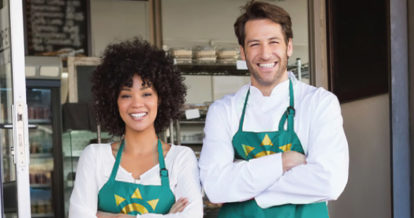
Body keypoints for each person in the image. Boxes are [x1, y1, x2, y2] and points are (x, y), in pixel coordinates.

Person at [198, 1, 349, 218]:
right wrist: (284, 161)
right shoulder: (223, 111)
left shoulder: (319, 103)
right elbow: (215, 188)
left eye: (273, 42)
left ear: (288, 46)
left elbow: (330, 181)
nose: (265, 54)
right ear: (243, 52)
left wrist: (252, 192)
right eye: (254, 44)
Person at [69, 38, 203, 218]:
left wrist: (109, 216)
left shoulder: (180, 158)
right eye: (126, 96)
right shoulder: (94, 156)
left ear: (160, 98)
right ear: (114, 102)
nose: (137, 104)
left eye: (146, 94)